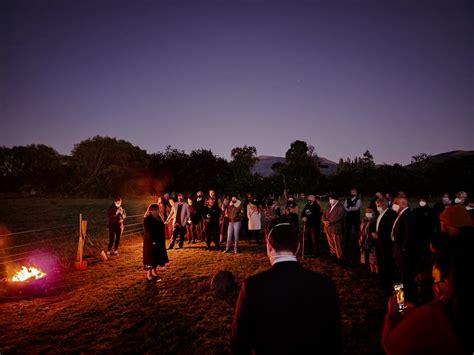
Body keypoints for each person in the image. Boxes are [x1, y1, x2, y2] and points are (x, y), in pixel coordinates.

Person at [231, 218, 342, 354]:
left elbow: (239, 341)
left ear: (269, 246)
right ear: (298, 247)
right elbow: (334, 337)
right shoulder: (325, 284)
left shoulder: (253, 286)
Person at [382, 234, 472, 354]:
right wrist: (415, 315)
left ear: (445, 284)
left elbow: (391, 345)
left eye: (435, 280)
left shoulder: (436, 315)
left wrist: (392, 315)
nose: (434, 285)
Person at [390, 197, 417, 302]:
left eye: (395, 203)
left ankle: (404, 301)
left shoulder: (408, 215)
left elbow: (409, 234)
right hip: (398, 248)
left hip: (403, 251)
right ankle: (400, 299)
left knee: (404, 277)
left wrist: (403, 248)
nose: (393, 205)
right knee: (400, 275)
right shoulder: (401, 214)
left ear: (403, 204)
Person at [374, 198, 398, 290]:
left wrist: (379, 235)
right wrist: (374, 232)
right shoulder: (380, 214)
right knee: (380, 261)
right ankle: (382, 280)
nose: (377, 208)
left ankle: (387, 282)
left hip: (386, 243)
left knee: (386, 262)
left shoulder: (391, 215)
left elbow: (390, 230)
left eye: (378, 206)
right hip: (379, 242)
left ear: (384, 205)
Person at [143, 204, 169, 281]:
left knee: (156, 257)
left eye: (156, 210)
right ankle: (148, 274)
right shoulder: (147, 219)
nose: (155, 211)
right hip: (151, 242)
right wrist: (152, 240)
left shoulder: (158, 218)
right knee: (150, 257)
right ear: (150, 210)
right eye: (153, 210)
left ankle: (154, 272)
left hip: (159, 241)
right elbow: (147, 231)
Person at [322, 193, 346, 265]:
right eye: (329, 199)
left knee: (337, 244)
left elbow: (340, 217)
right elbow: (324, 215)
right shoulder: (328, 206)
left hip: (335, 228)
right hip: (327, 228)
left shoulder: (340, 207)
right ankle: (333, 257)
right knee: (331, 243)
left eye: (331, 199)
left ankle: (340, 258)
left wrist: (329, 222)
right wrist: (324, 221)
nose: (330, 200)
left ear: (335, 199)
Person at [359, 208, 378, 275]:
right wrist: (360, 239)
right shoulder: (363, 220)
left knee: (374, 257)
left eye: (370, 212)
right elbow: (361, 231)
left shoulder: (375, 221)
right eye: (367, 212)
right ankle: (372, 270)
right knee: (368, 257)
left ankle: (377, 271)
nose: (368, 213)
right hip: (364, 241)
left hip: (372, 242)